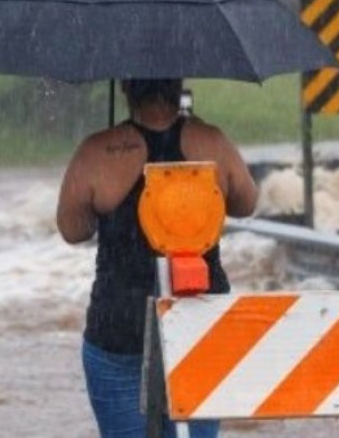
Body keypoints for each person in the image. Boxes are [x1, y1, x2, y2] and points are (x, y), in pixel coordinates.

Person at [56, 79, 258, 438]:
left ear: (125, 89)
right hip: (200, 324)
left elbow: (72, 229)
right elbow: (246, 203)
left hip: (120, 328)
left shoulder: (96, 152)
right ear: (178, 85)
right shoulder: (212, 143)